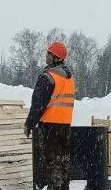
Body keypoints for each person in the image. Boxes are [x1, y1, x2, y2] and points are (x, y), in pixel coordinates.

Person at [24, 41, 74, 190]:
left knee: (53, 164)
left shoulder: (48, 77)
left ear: (55, 57)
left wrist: (29, 124)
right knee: (63, 162)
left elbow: (38, 104)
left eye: (48, 54)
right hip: (65, 126)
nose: (46, 56)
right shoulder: (69, 78)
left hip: (50, 126)